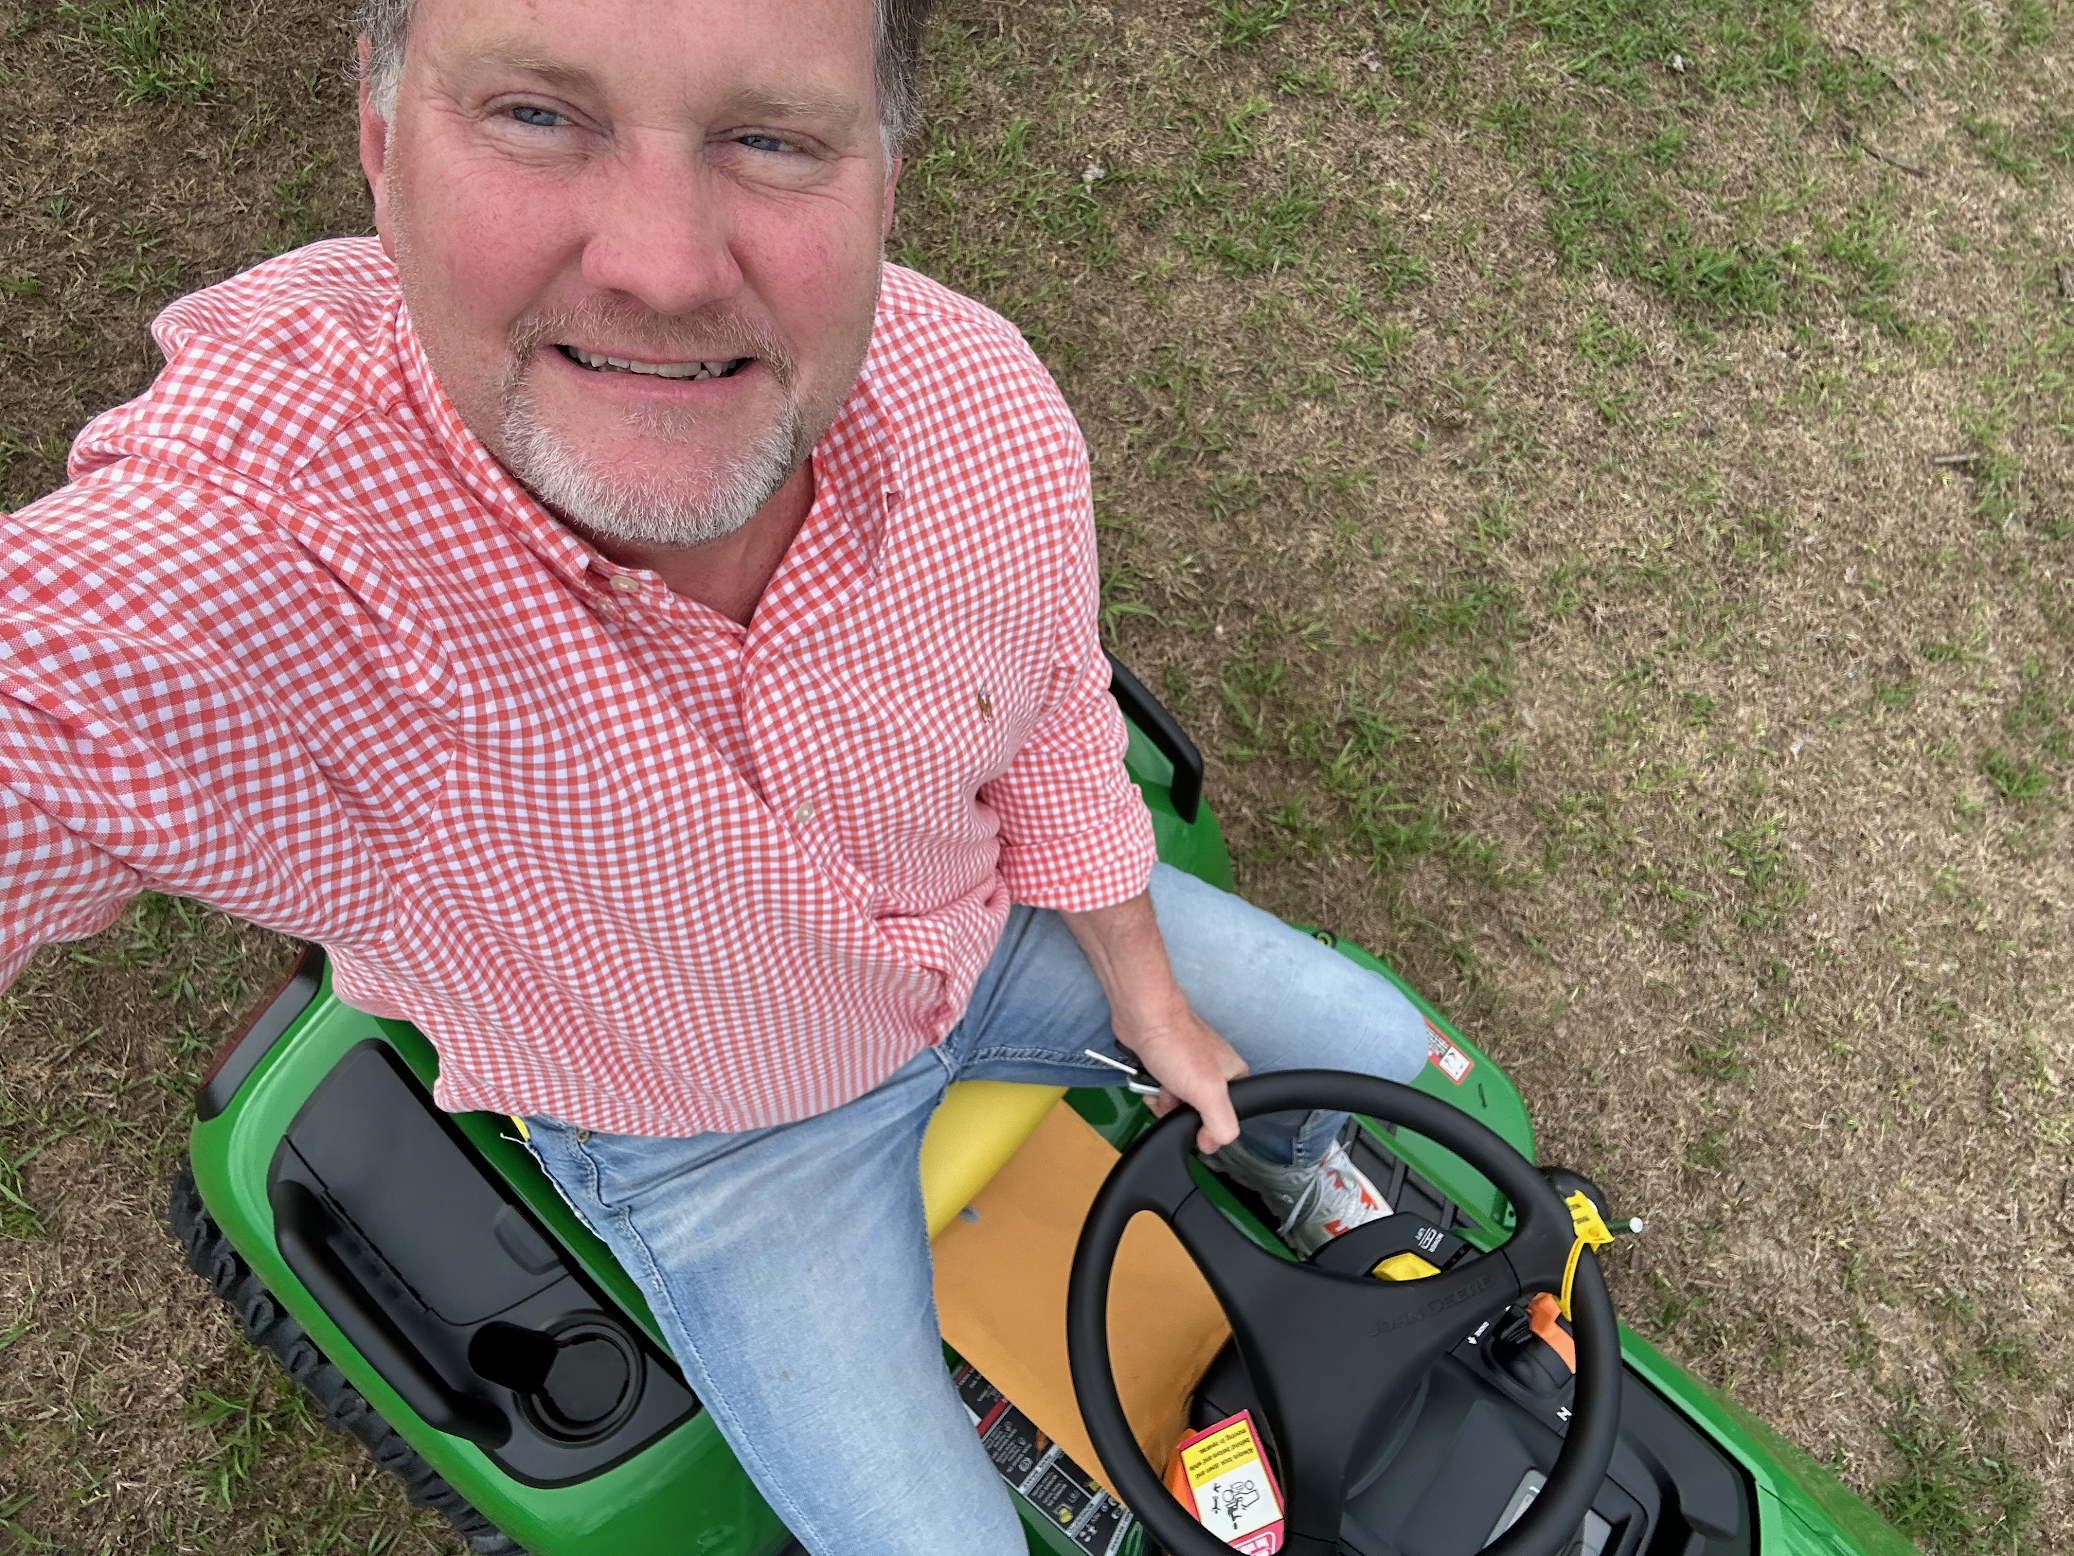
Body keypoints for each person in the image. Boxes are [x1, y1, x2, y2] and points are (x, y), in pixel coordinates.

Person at [0, 0, 1436, 1547]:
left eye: (769, 138)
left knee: (1367, 1040)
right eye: (538, 115)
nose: (663, 268)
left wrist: (1143, 991)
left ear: (882, 176)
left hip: (991, 943)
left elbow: (1053, 715)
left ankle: (1283, 1168)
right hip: (727, 1140)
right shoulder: (264, 537)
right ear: (381, 137)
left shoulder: (982, 403)